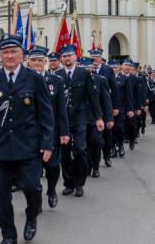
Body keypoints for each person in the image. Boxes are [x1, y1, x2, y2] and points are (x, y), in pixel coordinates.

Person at [0, 34, 54, 244]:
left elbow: (46, 114)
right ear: (0, 55)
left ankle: (31, 216)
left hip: (28, 146)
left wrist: (47, 144)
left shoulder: (34, 78)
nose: (9, 56)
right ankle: (8, 235)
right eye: (5, 52)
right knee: (1, 196)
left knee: (31, 187)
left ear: (22, 54)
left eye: (13, 52)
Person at [56, 43, 103, 197]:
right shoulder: (58, 76)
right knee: (64, 153)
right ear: (61, 58)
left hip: (80, 118)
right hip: (63, 121)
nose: (67, 58)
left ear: (75, 57)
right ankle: (68, 183)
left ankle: (79, 183)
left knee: (80, 150)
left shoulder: (84, 74)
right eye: (64, 56)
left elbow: (92, 97)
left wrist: (98, 117)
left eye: (69, 55)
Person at [28, 45, 70, 208]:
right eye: (33, 60)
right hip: (30, 133)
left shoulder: (56, 81)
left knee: (52, 166)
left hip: (51, 133)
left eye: (40, 60)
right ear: (28, 61)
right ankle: (36, 201)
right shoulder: (24, 80)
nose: (37, 63)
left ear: (46, 61)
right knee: (34, 172)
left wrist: (64, 132)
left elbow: (61, 109)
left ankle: (51, 189)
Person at [81, 57, 114, 178]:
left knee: (95, 141)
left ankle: (95, 166)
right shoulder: (77, 80)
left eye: (87, 67)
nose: (85, 70)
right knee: (83, 144)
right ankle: (87, 166)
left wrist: (109, 118)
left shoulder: (100, 80)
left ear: (91, 68)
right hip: (82, 118)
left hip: (96, 118)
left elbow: (106, 100)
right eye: (82, 67)